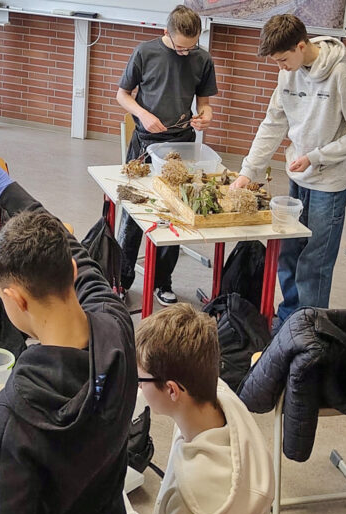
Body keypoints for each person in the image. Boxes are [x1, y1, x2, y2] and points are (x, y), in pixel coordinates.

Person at [0, 157, 135, 514]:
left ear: (15, 299)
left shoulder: (18, 403)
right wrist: (8, 190)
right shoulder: (116, 323)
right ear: (72, 273)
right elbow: (73, 249)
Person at [231, 14, 346, 326]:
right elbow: (272, 124)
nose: (281, 68)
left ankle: (310, 329)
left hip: (329, 183)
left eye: (283, 59)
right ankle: (289, 321)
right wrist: (248, 172)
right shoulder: (287, 74)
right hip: (298, 177)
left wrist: (317, 156)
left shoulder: (340, 74)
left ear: (301, 45)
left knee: (314, 261)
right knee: (289, 253)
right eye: (276, 62)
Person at [126, 303, 273, 514]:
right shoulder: (216, 399)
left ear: (172, 390)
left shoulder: (197, 502)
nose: (138, 388)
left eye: (141, 381)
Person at [116, 4, 218, 306]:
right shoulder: (145, 53)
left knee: (174, 212)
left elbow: (205, 103)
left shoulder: (202, 58)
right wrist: (143, 114)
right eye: (180, 47)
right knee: (135, 211)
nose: (185, 53)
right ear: (166, 33)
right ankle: (121, 281)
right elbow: (122, 94)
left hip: (180, 145)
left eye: (191, 47)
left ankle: (163, 282)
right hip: (145, 143)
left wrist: (205, 116)